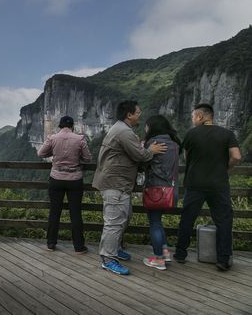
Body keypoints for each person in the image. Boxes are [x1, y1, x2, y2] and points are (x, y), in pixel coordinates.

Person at [92, 101, 167, 275]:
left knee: (124, 218)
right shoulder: (124, 132)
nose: (140, 115)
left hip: (120, 183)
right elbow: (140, 155)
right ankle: (108, 259)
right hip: (114, 183)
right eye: (138, 113)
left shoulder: (121, 129)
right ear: (129, 115)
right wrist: (152, 150)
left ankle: (115, 249)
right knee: (114, 222)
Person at [174, 103, 241, 271]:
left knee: (188, 218)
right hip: (219, 184)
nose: (192, 120)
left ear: (200, 117)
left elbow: (187, 157)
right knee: (224, 221)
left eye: (193, 117)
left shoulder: (191, 134)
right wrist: (226, 167)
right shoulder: (227, 134)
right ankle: (223, 259)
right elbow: (237, 156)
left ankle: (181, 254)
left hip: (195, 183)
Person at [38, 115, 92, 254]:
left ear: (60, 126)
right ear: (73, 126)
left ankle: (51, 243)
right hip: (75, 179)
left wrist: (54, 151)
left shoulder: (53, 138)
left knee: (54, 212)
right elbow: (88, 158)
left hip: (56, 178)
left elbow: (41, 153)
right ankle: (79, 246)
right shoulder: (79, 139)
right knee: (75, 213)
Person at [141, 115, 181, 271]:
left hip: (156, 190)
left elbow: (142, 161)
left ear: (152, 127)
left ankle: (158, 259)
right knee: (158, 222)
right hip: (171, 190)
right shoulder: (175, 143)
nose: (145, 129)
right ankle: (164, 253)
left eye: (147, 126)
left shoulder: (153, 143)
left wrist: (144, 148)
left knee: (155, 223)